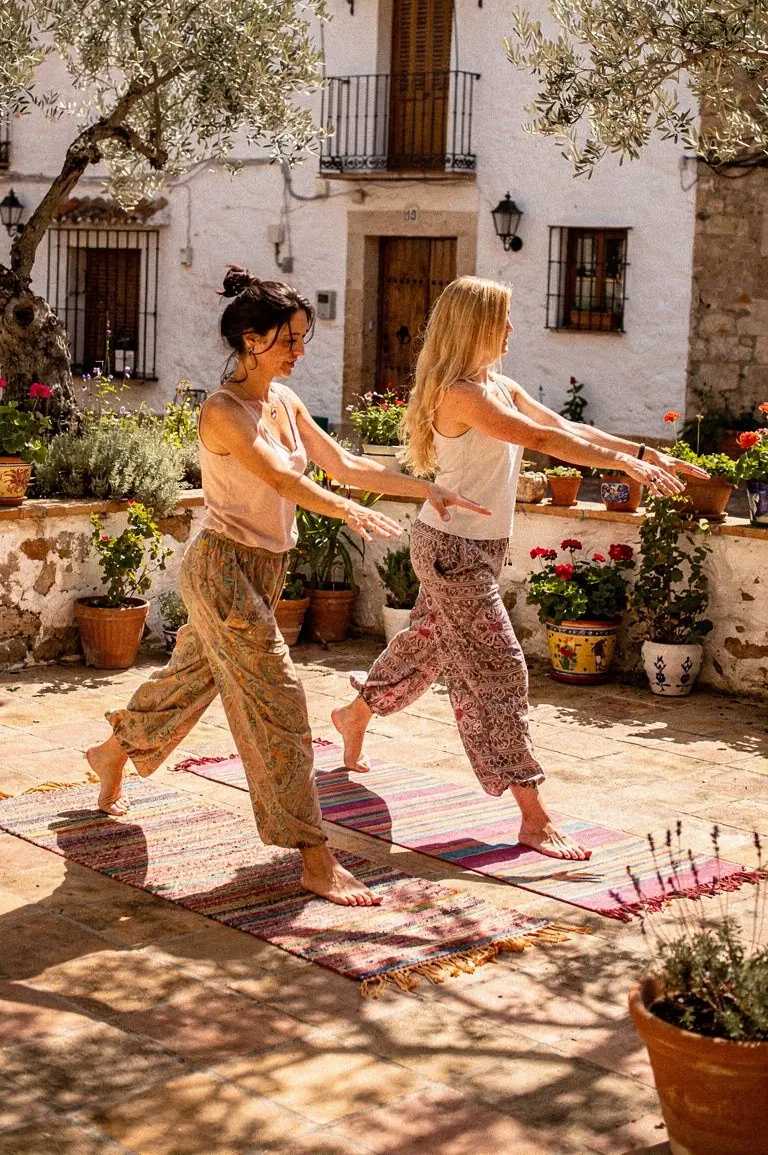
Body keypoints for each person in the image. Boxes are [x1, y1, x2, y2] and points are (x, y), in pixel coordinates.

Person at [86, 267, 487, 907]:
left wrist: (426, 487)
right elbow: (283, 480)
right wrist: (346, 511)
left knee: (192, 677)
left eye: (302, 339)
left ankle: (113, 749)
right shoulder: (223, 412)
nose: (299, 352)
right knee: (279, 696)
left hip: (263, 571)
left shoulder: (284, 403)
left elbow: (346, 464)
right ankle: (313, 854)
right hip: (221, 572)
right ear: (250, 340)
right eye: (288, 340)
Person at [331, 276, 706, 862]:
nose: (511, 329)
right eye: (502, 319)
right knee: (499, 667)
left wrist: (642, 452)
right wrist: (624, 464)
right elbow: (538, 439)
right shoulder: (461, 395)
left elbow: (565, 428)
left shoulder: (496, 385)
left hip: (479, 546)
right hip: (453, 550)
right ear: (475, 326)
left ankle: (353, 713)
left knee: (426, 647)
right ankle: (533, 813)